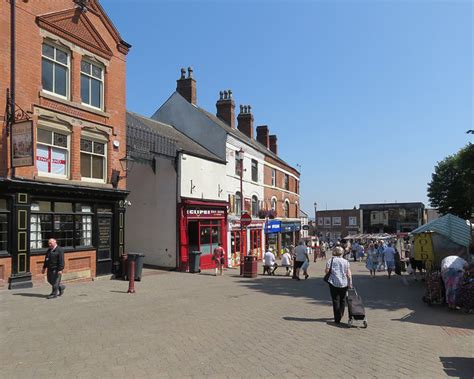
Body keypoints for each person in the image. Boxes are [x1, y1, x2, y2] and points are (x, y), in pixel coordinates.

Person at [325, 245, 352, 324]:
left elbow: (326, 271)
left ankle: (337, 318)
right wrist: (350, 283)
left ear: (334, 252)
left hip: (333, 282)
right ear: (342, 253)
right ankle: (341, 313)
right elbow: (349, 273)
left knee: (335, 300)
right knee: (343, 300)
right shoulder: (346, 261)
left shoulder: (330, 261)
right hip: (344, 283)